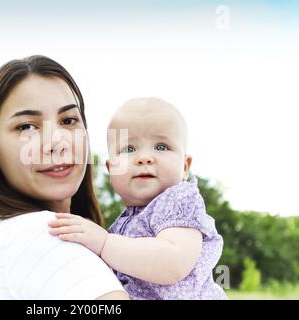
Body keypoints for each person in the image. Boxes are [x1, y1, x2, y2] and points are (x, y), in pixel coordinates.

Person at [0, 55, 128, 300]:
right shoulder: (41, 233)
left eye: (68, 120)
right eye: (27, 126)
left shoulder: (12, 237)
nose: (56, 142)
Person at [48, 97, 227, 299]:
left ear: (185, 166)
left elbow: (173, 263)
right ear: (110, 169)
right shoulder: (121, 226)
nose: (144, 158)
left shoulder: (179, 200)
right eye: (129, 149)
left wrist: (105, 243)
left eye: (161, 147)